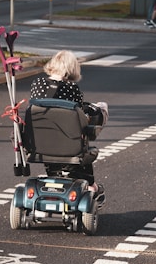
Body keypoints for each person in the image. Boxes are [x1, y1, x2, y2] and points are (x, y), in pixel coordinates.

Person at [30, 50, 107, 205]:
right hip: (68, 144)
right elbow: (79, 114)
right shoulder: (72, 88)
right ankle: (91, 186)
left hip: (41, 143)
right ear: (72, 69)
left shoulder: (37, 84)